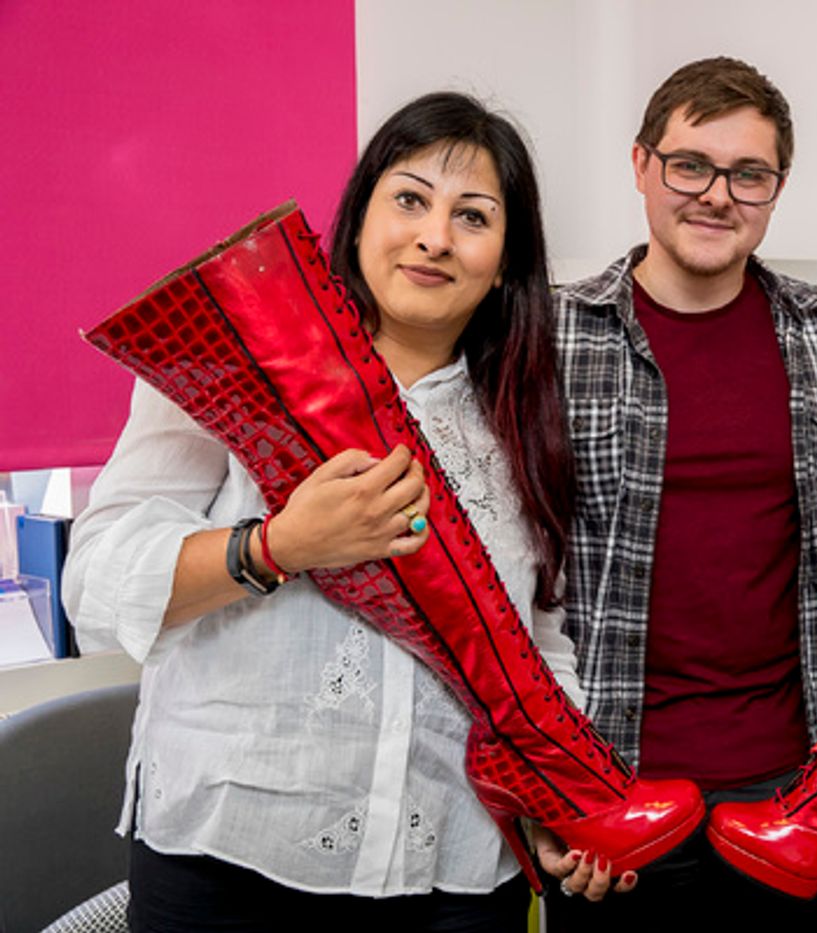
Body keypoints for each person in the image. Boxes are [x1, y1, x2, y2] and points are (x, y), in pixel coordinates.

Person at [63, 91, 578, 931]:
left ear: (506, 257)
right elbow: (94, 582)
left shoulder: (524, 414)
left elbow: (539, 638)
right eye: (410, 199)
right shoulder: (229, 363)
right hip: (232, 860)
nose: (435, 237)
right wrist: (277, 546)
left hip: (454, 865)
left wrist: (558, 804)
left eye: (473, 216)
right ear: (361, 212)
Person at [540, 56, 817, 930]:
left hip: (791, 790)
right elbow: (511, 576)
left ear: (776, 188)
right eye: (690, 164)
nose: (716, 194)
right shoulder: (553, 335)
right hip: (612, 786)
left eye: (748, 174)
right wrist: (544, 790)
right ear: (642, 165)